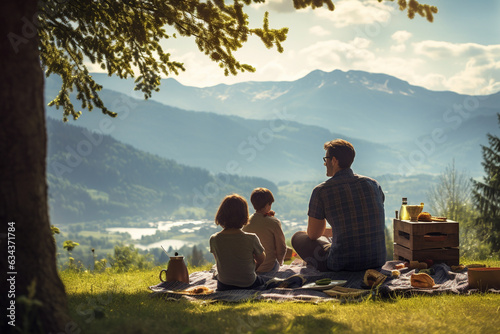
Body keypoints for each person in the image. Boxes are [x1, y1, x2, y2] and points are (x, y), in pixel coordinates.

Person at [291, 139, 386, 272]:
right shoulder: (373, 184)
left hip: (342, 263)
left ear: (334, 161)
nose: (324, 163)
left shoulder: (321, 191)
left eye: (326, 159)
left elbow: (313, 235)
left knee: (298, 237)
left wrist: (327, 233)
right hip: (377, 260)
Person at [209, 194, 267, 291]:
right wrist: (252, 268)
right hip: (248, 283)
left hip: (224, 285)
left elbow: (219, 262)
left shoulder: (214, 239)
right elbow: (261, 259)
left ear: (220, 215)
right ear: (244, 216)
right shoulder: (251, 238)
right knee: (262, 281)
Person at [242, 187, 287, 273]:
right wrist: (280, 262)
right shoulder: (274, 222)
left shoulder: (246, 222)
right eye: (270, 204)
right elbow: (281, 247)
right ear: (267, 205)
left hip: (252, 269)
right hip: (269, 268)